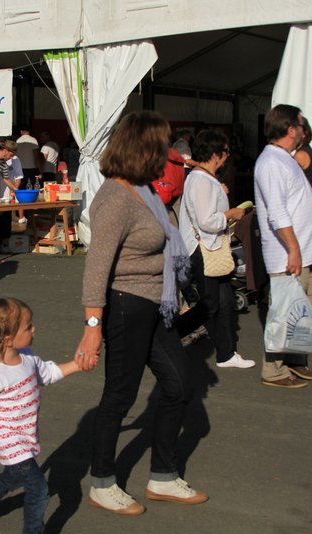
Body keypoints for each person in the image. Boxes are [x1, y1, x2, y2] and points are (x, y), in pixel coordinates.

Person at [74, 111, 207, 515]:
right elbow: (97, 266)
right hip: (127, 305)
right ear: (144, 148)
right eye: (162, 145)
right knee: (120, 395)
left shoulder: (145, 191)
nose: (169, 153)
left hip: (155, 304)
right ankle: (102, 482)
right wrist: (92, 327)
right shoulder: (115, 197)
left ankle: (163, 477)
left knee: (180, 385)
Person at [0, 297, 87, 534]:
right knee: (39, 490)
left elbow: (47, 374)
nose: (34, 329)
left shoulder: (27, 357)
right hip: (9, 440)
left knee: (13, 476)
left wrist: (77, 365)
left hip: (26, 436)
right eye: (28, 326)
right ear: (7, 338)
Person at [254, 104, 312, 389]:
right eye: (300, 124)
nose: (303, 129)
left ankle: (295, 357)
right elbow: (277, 211)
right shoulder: (271, 162)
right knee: (286, 312)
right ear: (290, 130)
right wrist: (294, 249)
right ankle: (273, 370)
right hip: (290, 253)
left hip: (310, 250)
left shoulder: (285, 158)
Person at [175, 130, 255, 369]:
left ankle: (226, 354)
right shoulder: (200, 180)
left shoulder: (203, 179)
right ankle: (167, 334)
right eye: (226, 152)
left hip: (206, 247)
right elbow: (206, 221)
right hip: (203, 248)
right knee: (212, 304)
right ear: (216, 154)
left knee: (224, 301)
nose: (228, 157)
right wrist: (232, 214)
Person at [294, 116, 312, 204]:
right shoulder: (307, 151)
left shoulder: (301, 155)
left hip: (307, 206)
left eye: (296, 127)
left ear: (304, 133)